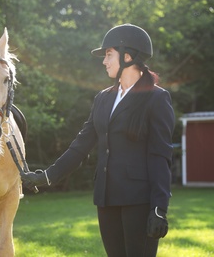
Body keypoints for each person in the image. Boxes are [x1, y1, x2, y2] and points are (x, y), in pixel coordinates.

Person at [21, 24, 175, 257]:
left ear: (128, 56)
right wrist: (46, 176)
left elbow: (160, 156)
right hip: (106, 198)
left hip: (139, 201)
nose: (104, 61)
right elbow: (81, 145)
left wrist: (158, 208)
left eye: (108, 55)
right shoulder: (103, 98)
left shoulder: (156, 98)